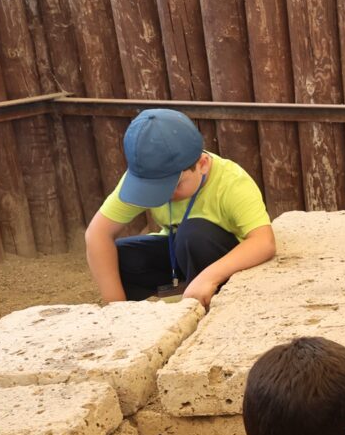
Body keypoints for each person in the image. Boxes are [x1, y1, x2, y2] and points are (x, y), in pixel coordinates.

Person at [84, 108, 276, 307]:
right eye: (152, 188)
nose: (163, 195)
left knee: (193, 234)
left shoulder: (233, 183)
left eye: (173, 186)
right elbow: (97, 234)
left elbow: (264, 241)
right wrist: (116, 309)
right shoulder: (146, 178)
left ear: (202, 164)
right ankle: (173, 299)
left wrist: (209, 277)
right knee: (119, 257)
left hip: (224, 259)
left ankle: (209, 305)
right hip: (178, 254)